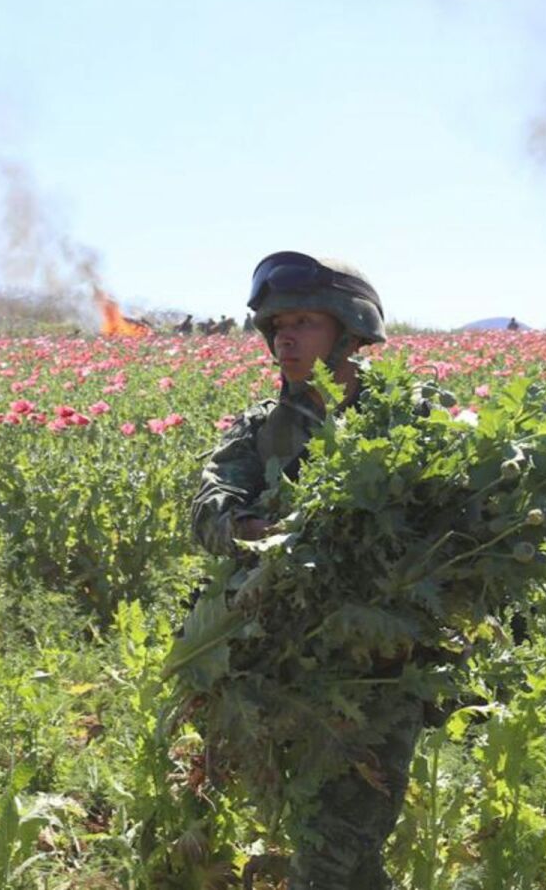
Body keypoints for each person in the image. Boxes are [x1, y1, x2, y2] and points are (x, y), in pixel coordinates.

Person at [191, 251, 413, 888]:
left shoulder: (411, 419)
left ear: (350, 329)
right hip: (286, 661)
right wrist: (247, 531)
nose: (285, 336)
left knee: (333, 850)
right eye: (276, 324)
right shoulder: (262, 429)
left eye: (306, 321)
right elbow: (208, 507)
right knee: (331, 840)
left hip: (380, 669)